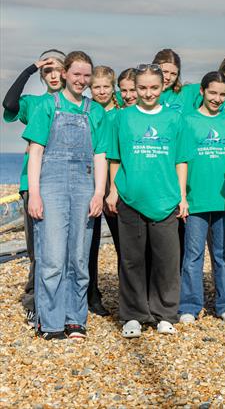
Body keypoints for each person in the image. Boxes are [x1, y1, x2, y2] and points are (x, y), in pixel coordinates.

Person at [24, 51, 108, 340]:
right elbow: (35, 153)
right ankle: (49, 322)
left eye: (87, 76)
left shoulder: (94, 111)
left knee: (79, 257)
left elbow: (101, 155)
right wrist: (34, 194)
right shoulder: (48, 105)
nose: (82, 81)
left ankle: (75, 319)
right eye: (77, 75)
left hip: (85, 186)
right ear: (65, 74)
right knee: (52, 257)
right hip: (51, 185)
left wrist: (99, 192)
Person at [106, 64, 190, 338]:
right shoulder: (123, 118)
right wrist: (114, 190)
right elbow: (115, 159)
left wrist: (182, 197)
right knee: (132, 260)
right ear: (134, 88)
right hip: (131, 199)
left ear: (163, 86)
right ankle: (133, 315)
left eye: (154, 87)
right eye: (142, 87)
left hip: (165, 200)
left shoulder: (174, 119)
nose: (148, 92)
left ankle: (165, 313)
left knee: (167, 260)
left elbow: (181, 160)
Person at [2, 49, 65, 327]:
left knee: (68, 249)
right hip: (35, 184)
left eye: (57, 69)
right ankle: (34, 302)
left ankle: (66, 303)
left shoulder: (80, 105)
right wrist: (30, 68)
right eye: (47, 71)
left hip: (68, 184)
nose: (52, 75)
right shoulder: (34, 104)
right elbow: (9, 102)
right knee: (37, 249)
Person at [178, 72, 225, 324]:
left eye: (222, 94)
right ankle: (189, 306)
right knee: (192, 255)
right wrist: (182, 196)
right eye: (212, 93)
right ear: (202, 91)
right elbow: (180, 159)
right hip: (196, 199)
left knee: (223, 254)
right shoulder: (188, 121)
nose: (217, 98)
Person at [86, 65, 122, 316]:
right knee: (90, 243)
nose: (101, 91)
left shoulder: (122, 113)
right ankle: (92, 294)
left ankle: (128, 296)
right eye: (96, 87)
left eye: (105, 87)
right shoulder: (87, 112)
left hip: (117, 186)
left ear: (113, 88)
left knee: (125, 246)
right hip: (92, 185)